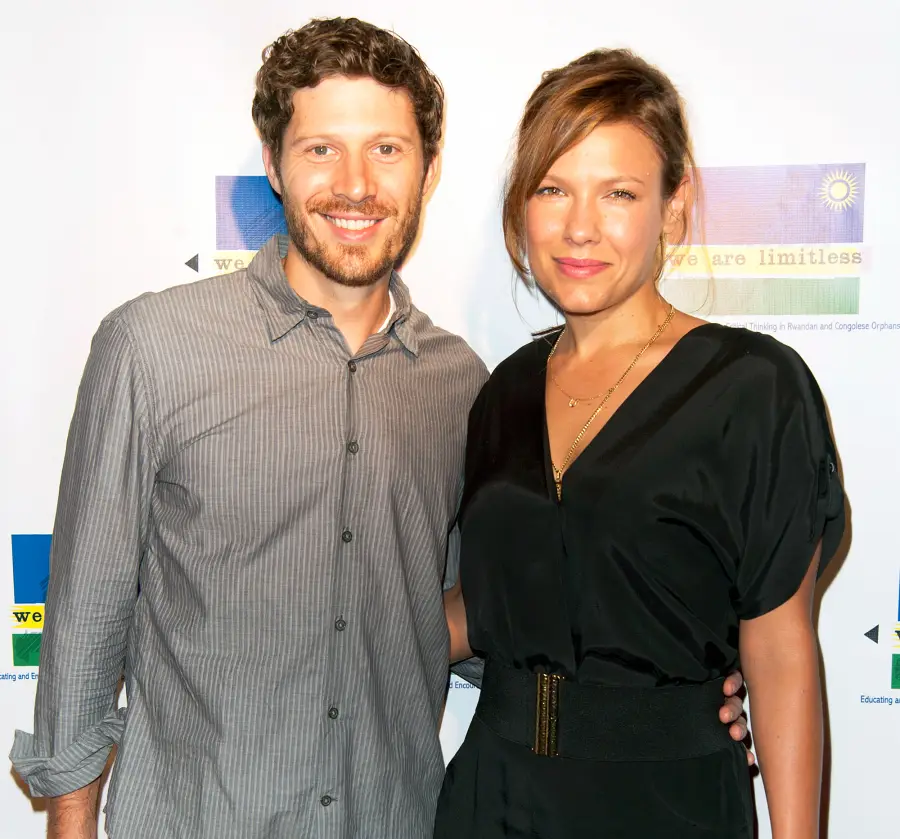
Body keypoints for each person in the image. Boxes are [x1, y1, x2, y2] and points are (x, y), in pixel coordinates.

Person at [10, 19, 751, 839]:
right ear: (273, 165)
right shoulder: (152, 349)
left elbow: (499, 603)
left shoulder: (464, 385)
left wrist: (676, 690)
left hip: (396, 818)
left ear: (428, 171)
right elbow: (83, 622)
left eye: (387, 151)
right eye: (322, 149)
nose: (355, 185)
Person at [439, 48, 845, 839]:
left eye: (617, 193)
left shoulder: (752, 385)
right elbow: (488, 608)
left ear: (674, 204)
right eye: (552, 189)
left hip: (670, 800)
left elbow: (780, 644)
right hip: (493, 795)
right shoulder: (502, 392)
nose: (579, 226)